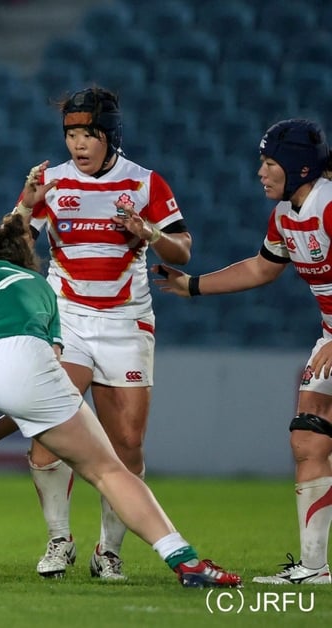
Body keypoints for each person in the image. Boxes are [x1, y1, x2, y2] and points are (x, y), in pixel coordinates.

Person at [0, 215, 240, 588]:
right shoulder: (42, 288)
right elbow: (41, 376)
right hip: (23, 358)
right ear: (24, 260)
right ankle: (185, 561)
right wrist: (0, 428)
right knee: (107, 470)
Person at [0, 87, 194, 580]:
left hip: (127, 322)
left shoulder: (145, 183)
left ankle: (109, 552)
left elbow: (182, 251)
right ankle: (59, 540)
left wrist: (148, 233)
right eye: (71, 135)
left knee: (126, 444)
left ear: (111, 136)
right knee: (48, 430)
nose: (78, 145)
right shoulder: (51, 182)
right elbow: (10, 249)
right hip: (69, 318)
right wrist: (25, 206)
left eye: (88, 135)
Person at [155, 118, 332, 585]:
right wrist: (192, 286)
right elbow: (260, 268)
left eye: (270, 162)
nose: (261, 171)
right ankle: (315, 568)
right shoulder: (286, 217)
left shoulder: (330, 207)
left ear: (297, 168)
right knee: (308, 438)